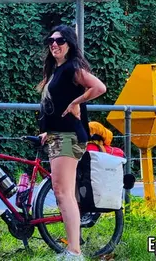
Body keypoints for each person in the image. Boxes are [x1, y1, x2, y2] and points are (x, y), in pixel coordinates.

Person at [36, 25, 106, 260]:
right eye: (51, 40)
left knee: (63, 192)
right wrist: (48, 130)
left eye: (61, 40)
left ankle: (74, 252)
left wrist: (77, 101)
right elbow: (55, 105)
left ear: (70, 44)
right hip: (59, 135)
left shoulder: (72, 68)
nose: (54, 44)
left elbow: (99, 87)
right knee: (63, 192)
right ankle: (72, 248)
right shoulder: (57, 70)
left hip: (69, 137)